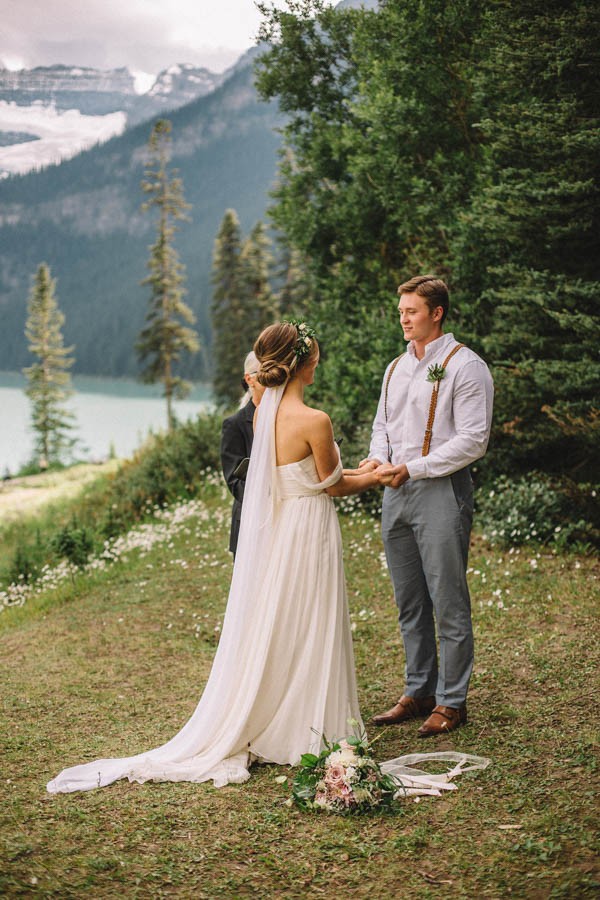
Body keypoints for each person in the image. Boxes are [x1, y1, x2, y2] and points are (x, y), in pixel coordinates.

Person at [46, 321, 379, 794]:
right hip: (310, 526)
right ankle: (306, 722)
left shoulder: (263, 418)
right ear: (306, 364)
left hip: (284, 529)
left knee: (282, 619)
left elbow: (285, 478)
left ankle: (276, 717)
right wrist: (376, 476)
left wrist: (354, 471)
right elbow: (334, 483)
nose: (317, 362)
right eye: (315, 356)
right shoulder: (314, 420)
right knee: (313, 619)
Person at [362, 275, 494, 737]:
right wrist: (380, 456)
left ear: (436, 313)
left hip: (440, 489)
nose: (403, 318)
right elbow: (384, 425)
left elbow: (473, 441)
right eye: (401, 311)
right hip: (394, 492)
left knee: (448, 600)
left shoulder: (467, 366)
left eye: (411, 311)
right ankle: (419, 691)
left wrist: (414, 468)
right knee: (409, 599)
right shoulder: (396, 367)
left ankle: (452, 701)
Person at [220, 351, 265, 556]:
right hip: (250, 522)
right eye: (267, 372)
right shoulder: (234, 425)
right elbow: (235, 483)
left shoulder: (288, 418)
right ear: (250, 379)